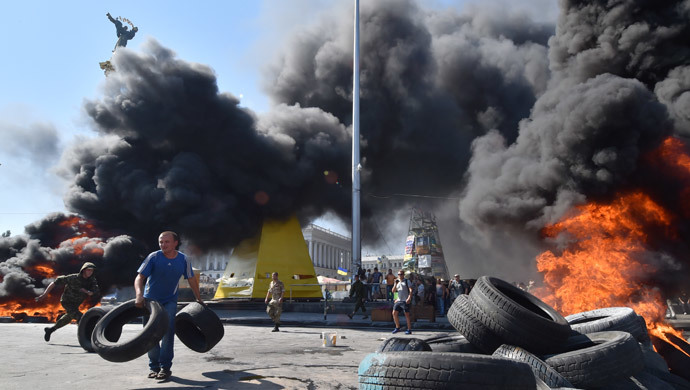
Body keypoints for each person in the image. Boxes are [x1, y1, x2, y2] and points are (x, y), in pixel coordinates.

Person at [134, 231, 202, 381]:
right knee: (149, 334)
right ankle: (154, 367)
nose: (163, 245)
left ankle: (165, 368)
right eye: (161, 242)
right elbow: (139, 277)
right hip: (150, 301)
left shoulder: (184, 259)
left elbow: (191, 279)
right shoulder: (154, 257)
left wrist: (199, 298)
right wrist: (139, 295)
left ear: (175, 243)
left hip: (170, 301)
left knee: (168, 333)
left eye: (167, 242)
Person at [36, 262, 99, 342]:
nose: (90, 272)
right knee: (80, 317)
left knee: (68, 318)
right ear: (83, 270)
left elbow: (95, 290)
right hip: (67, 302)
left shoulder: (92, 280)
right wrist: (45, 294)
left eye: (92, 271)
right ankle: (86, 339)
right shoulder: (73, 278)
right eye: (88, 270)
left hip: (76, 303)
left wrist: (89, 292)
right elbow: (55, 282)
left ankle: (50, 330)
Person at [392, 270, 413, 334]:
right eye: (398, 274)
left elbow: (411, 290)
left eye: (401, 274)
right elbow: (393, 291)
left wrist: (409, 298)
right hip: (398, 300)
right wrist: (395, 283)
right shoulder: (397, 282)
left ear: (403, 275)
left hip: (404, 300)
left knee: (407, 315)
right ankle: (397, 327)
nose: (400, 275)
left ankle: (409, 329)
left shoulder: (407, 281)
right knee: (394, 313)